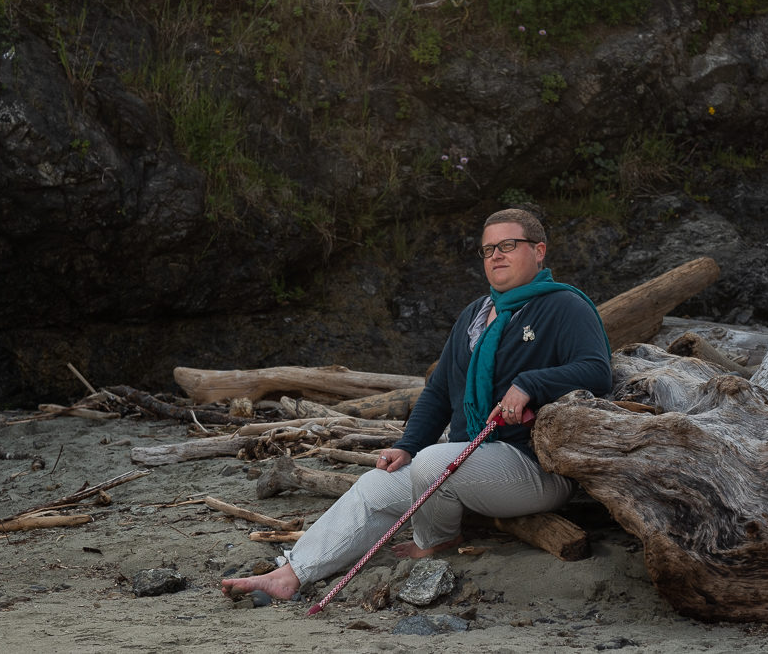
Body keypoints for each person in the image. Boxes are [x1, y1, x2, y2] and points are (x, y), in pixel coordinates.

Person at [221, 208, 612, 600]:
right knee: (376, 484)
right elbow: (439, 393)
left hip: (535, 467)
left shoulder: (565, 306)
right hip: (468, 462)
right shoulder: (474, 315)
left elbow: (597, 371)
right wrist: (407, 444)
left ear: (538, 251)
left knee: (432, 463)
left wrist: (530, 384)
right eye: (488, 249)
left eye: (508, 245)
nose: (496, 255)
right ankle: (293, 573)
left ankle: (438, 540)